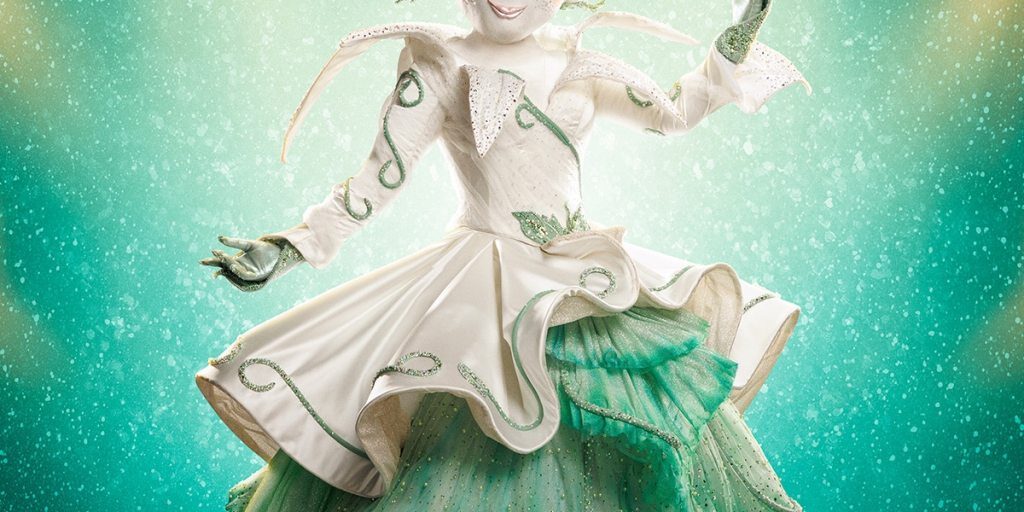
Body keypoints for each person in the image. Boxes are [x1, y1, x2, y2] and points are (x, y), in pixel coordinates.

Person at [196, 0, 811, 509]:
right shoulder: (440, 61)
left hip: (588, 281)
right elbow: (378, 178)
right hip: (480, 288)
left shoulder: (576, 58)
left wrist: (732, 43)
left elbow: (672, 114)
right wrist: (292, 245)